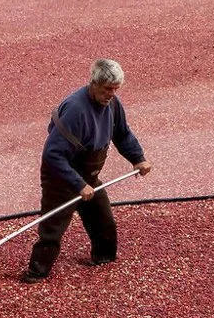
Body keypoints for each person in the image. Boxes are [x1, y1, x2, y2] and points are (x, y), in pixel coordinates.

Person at [22, 58, 154, 284]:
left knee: (103, 218)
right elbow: (53, 155)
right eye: (107, 89)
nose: (111, 94)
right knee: (53, 227)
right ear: (93, 84)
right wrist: (78, 184)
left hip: (88, 174)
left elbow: (122, 134)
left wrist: (138, 158)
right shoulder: (75, 110)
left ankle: (104, 257)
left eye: (115, 89)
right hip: (61, 177)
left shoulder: (112, 104)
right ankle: (36, 272)